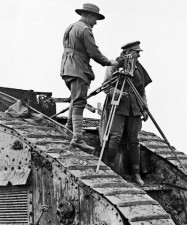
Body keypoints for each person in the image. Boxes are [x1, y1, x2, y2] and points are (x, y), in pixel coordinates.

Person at [60, 3, 118, 151]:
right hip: (78, 69)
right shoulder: (85, 29)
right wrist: (108, 62)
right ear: (89, 16)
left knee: (75, 98)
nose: (96, 23)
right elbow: (93, 52)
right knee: (79, 101)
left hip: (67, 68)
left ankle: (71, 127)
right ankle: (77, 138)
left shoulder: (71, 26)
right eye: (95, 19)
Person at [100, 41, 152, 185]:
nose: (139, 55)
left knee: (134, 140)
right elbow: (105, 87)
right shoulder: (114, 65)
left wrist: (145, 108)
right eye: (137, 52)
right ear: (128, 52)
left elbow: (142, 91)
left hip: (134, 108)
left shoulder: (138, 68)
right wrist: (119, 94)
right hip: (118, 107)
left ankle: (136, 174)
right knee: (115, 136)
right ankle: (110, 168)